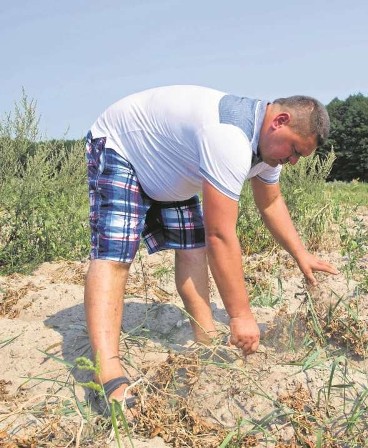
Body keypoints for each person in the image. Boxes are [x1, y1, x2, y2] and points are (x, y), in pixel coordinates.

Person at [84, 85, 338, 411]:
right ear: (280, 120)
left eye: (298, 157)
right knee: (115, 256)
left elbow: (271, 202)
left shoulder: (266, 150)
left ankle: (206, 340)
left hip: (170, 166)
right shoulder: (229, 137)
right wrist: (241, 315)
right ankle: (108, 375)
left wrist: (301, 254)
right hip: (123, 147)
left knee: (193, 249)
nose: (291, 161)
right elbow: (221, 235)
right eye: (294, 151)